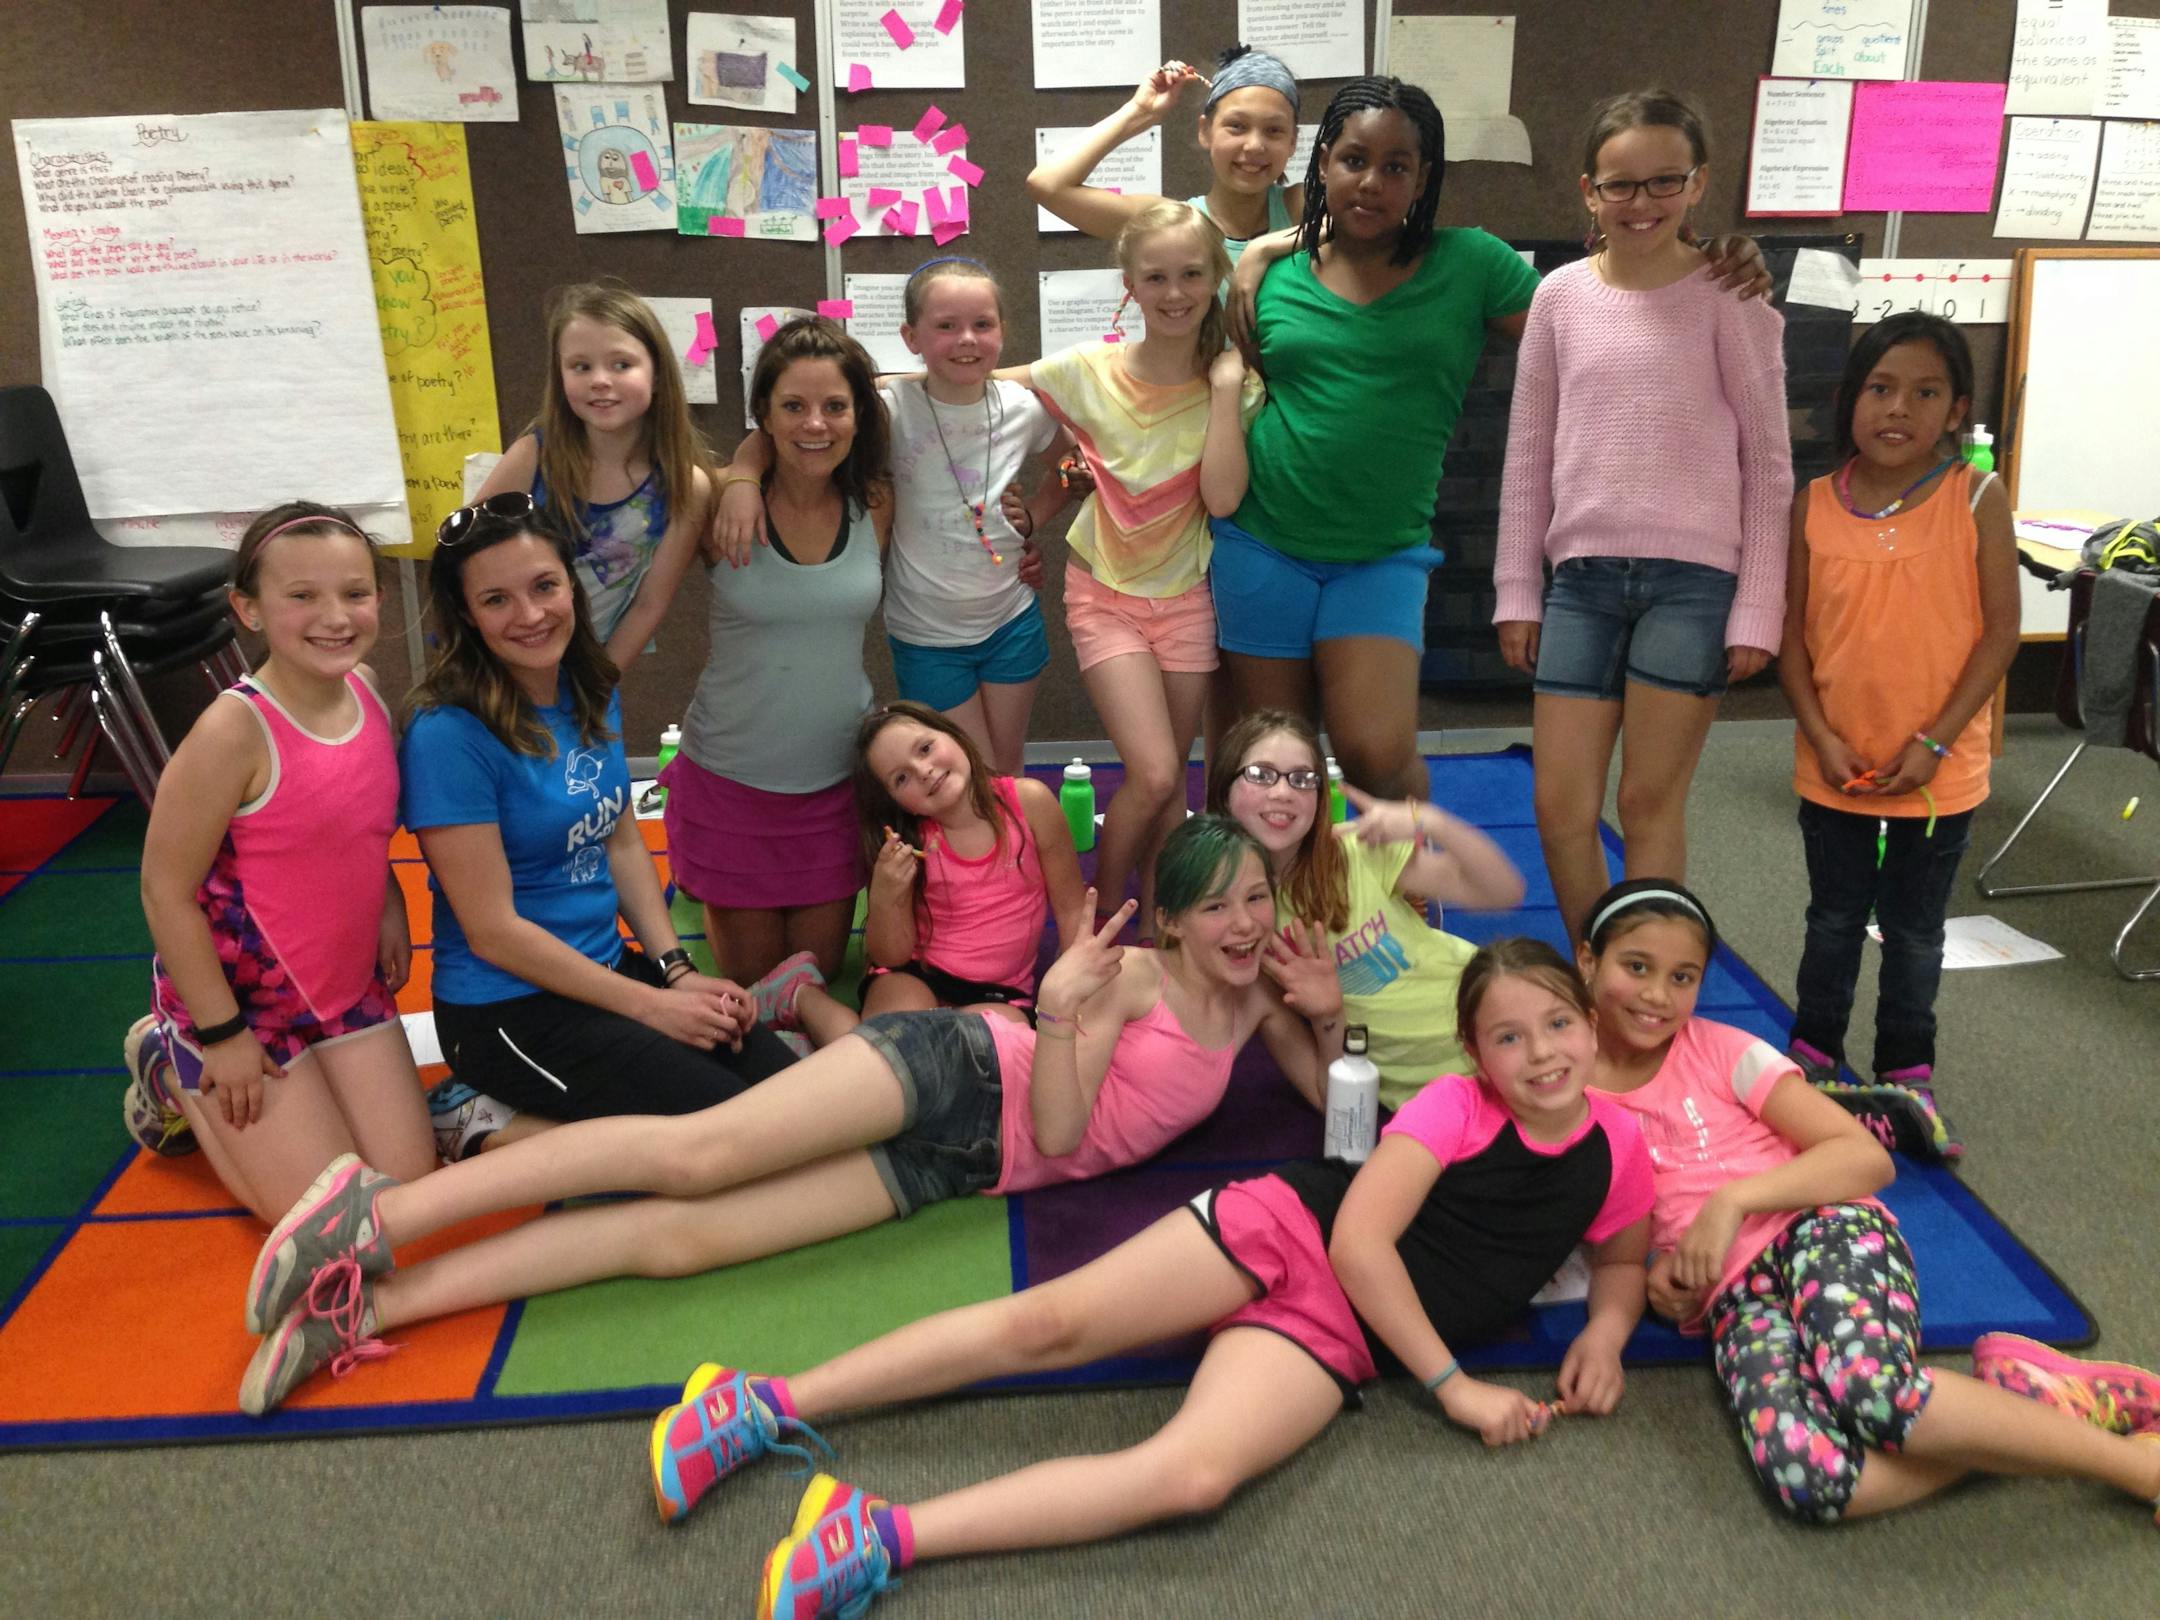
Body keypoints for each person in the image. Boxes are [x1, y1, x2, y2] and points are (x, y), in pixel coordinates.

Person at [641, 937, 1652, 1619]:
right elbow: (1360, 1248)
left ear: (1593, 1029)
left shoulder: (1618, 1149)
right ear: (1475, 1054)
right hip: (1290, 1233)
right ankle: (761, 1402)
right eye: (1509, 1037)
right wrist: (1454, 1388)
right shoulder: (1451, 1112)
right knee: (1046, 1325)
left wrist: (1607, 1333)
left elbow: (1621, 1253)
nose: (1541, 1054)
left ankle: (878, 1532)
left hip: (1340, 1338)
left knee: (1194, 1478)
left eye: (1558, 1027)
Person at [235, 817, 1346, 1415]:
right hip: (959, 1070)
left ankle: (371, 1304)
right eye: (1217, 906)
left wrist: (1330, 1019)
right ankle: (374, 1218)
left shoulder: (1257, 997)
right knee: (695, 1154)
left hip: (961, 1165)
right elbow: (1062, 1131)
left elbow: (1329, 1100)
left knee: (679, 1242)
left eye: (1256, 898)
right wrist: (1058, 1011)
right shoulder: (1134, 980)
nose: (1244, 925)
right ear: (1178, 919)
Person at [1220, 79, 1771, 805]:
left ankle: (1413, 893)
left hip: (1381, 555)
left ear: (1423, 179)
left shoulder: (1471, 264)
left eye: (1396, 166)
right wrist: (1261, 247)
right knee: (1271, 765)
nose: (1372, 181)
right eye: (1354, 159)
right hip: (1263, 543)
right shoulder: (1269, 274)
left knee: (1374, 753)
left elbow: (1602, 306)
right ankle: (1286, 910)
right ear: (1322, 163)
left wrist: (1703, 257)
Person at [1579, 880, 2160, 1530]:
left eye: (1682, 977)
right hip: (1733, 1297)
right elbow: (1613, 1228)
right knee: (1816, 1480)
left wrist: (1734, 1201)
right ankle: (2019, 1400)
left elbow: (1864, 1157)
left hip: (1822, 1229)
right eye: (1637, 968)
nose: (1659, 995)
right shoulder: (1563, 1097)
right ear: (1586, 961)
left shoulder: (1721, 1050)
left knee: (1873, 1394)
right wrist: (1664, 1271)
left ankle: (2138, 1470)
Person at [395, 494, 795, 1165]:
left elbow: (621, 838)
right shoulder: (448, 735)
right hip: (508, 1012)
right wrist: (651, 1010)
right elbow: (492, 931)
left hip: (603, 971)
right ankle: (472, 1120)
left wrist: (675, 974)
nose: (529, 615)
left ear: (570, 589)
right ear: (466, 614)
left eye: (544, 586)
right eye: (496, 600)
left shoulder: (588, 686)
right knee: (728, 1146)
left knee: (790, 1095)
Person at [1494, 89, 1792, 946]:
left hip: (1693, 588)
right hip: (1581, 584)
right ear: (1589, 191)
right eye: (1620, 186)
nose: (1642, 204)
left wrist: (1757, 604)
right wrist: (1519, 589)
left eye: (1665, 183)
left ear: (1698, 185)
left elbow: (1769, 467)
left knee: (1647, 802)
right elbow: (1527, 453)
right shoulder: (1558, 298)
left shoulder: (1730, 298)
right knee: (1560, 807)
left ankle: (1642, 988)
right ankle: (1599, 969)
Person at [120, 502, 434, 1221]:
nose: (335, 617)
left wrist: (388, 900)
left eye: (355, 594)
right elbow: (163, 890)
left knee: (409, 1189)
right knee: (332, 1219)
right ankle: (173, 1066)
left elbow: (358, 824)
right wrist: (223, 1035)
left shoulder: (367, 691)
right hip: (245, 1007)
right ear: (250, 609)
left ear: (379, 599)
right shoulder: (233, 731)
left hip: (344, 987)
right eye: (302, 596)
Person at [1777, 312, 2017, 1163]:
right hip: (1834, 761)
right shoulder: (1810, 504)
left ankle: (1907, 1073)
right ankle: (1814, 1059)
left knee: (1914, 930)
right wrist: (1821, 735)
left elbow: (1999, 636)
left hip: (1936, 771)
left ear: (1956, 411)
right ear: (1851, 401)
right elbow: (1794, 641)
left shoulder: (1978, 498)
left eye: (1925, 394)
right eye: (1880, 388)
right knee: (1834, 917)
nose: (1898, 409)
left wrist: (1939, 742)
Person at [709, 260, 1072, 775]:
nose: (966, 339)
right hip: (927, 634)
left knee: (1006, 769)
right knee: (972, 774)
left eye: (982, 325)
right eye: (945, 326)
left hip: (1010, 619)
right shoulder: (887, 406)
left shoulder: (1022, 407)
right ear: (911, 336)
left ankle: (1009, 855)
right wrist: (744, 475)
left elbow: (1072, 462)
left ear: (1002, 331)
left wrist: (1034, 515)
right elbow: (794, 425)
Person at [1012, 201, 1259, 930]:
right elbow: (969, 384)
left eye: (1191, 274)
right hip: (1105, 595)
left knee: (1169, 786)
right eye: (1155, 276)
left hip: (1186, 600)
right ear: (1129, 282)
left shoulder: (1234, 385)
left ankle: (1156, 916)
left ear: (1216, 277)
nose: (1175, 292)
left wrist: (1219, 390)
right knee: (1152, 773)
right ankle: (1100, 911)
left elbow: (1221, 497)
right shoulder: (1085, 369)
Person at [659, 318, 890, 986]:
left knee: (812, 982)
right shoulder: (717, 503)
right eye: (793, 406)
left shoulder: (875, 501)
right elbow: (641, 599)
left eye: (835, 406)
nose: (815, 424)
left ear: (857, 414)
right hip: (732, 781)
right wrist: (738, 474)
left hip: (835, 783)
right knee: (759, 994)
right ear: (762, 413)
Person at [1205, 708, 1523, 1107]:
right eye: (1261, 774)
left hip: (1503, 1013)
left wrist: (1431, 821)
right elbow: (1330, 1097)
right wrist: (1326, 1014)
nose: (1283, 792)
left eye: (1303, 779)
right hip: (1440, 1096)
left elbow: (1501, 891)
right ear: (1222, 788)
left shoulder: (1353, 852)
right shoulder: (1236, 924)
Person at [778, 702, 1087, 1048]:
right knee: (887, 1052)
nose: (923, 770)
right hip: (915, 975)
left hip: (1000, 993)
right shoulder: (906, 842)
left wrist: (1080, 989)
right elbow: (890, 955)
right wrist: (885, 893)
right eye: (901, 778)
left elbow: (1072, 908)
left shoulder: (1029, 803)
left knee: (997, 1058)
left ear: (952, 734)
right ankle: (800, 993)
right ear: (897, 803)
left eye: (925, 748)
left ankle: (818, 1052)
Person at [473, 281, 712, 670]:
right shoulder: (534, 456)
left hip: (586, 672)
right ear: (561, 375)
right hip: (493, 666)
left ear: (656, 373)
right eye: (581, 366)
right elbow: (461, 559)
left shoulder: (685, 486)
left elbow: (649, 605)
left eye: (622, 364)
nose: (600, 380)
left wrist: (596, 688)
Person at [1025, 47, 1303, 267]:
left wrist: (1264, 248)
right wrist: (1139, 112)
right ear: (1205, 131)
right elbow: (1047, 184)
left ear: (1292, 142)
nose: (1255, 145)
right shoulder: (1169, 225)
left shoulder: (1304, 209)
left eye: (1274, 130)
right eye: (1237, 126)